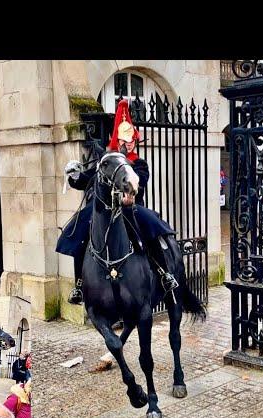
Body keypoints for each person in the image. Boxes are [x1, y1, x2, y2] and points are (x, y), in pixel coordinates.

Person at [56, 99, 178, 304]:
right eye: (124, 139)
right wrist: (74, 176)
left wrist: (130, 191)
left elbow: (141, 182)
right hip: (103, 209)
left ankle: (164, 273)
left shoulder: (138, 163)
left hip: (130, 206)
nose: (127, 143)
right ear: (117, 139)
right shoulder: (106, 161)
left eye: (131, 139)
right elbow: (87, 180)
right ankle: (79, 284)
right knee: (81, 232)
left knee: (149, 228)